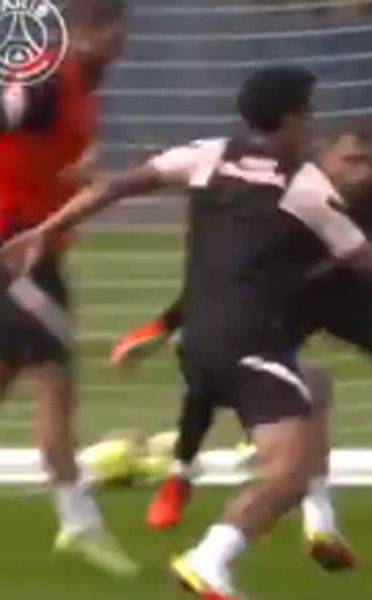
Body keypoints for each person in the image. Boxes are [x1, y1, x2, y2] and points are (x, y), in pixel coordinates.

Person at [2, 65, 372, 600]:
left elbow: (114, 186)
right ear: (291, 119)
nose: (313, 125)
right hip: (251, 344)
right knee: (286, 472)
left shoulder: (208, 155)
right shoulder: (305, 184)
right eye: (309, 114)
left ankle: (320, 524)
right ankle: (209, 560)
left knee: (312, 388)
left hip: (197, 346)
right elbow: (366, 265)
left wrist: (48, 229)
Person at [114, 120, 372, 524]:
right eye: (349, 159)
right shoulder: (293, 190)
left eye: (366, 159)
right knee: (219, 353)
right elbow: (231, 278)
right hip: (297, 295)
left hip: (362, 299)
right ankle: (180, 474)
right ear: (324, 156)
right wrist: (165, 325)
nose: (360, 169)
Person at [0, 0, 137, 576]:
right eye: (115, 27)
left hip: (32, 244)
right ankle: (78, 520)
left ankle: (77, 519)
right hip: (18, 247)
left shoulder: (80, 88)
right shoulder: (48, 80)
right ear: (88, 30)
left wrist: (87, 179)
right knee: (55, 382)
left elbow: (46, 160)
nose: (123, 39)